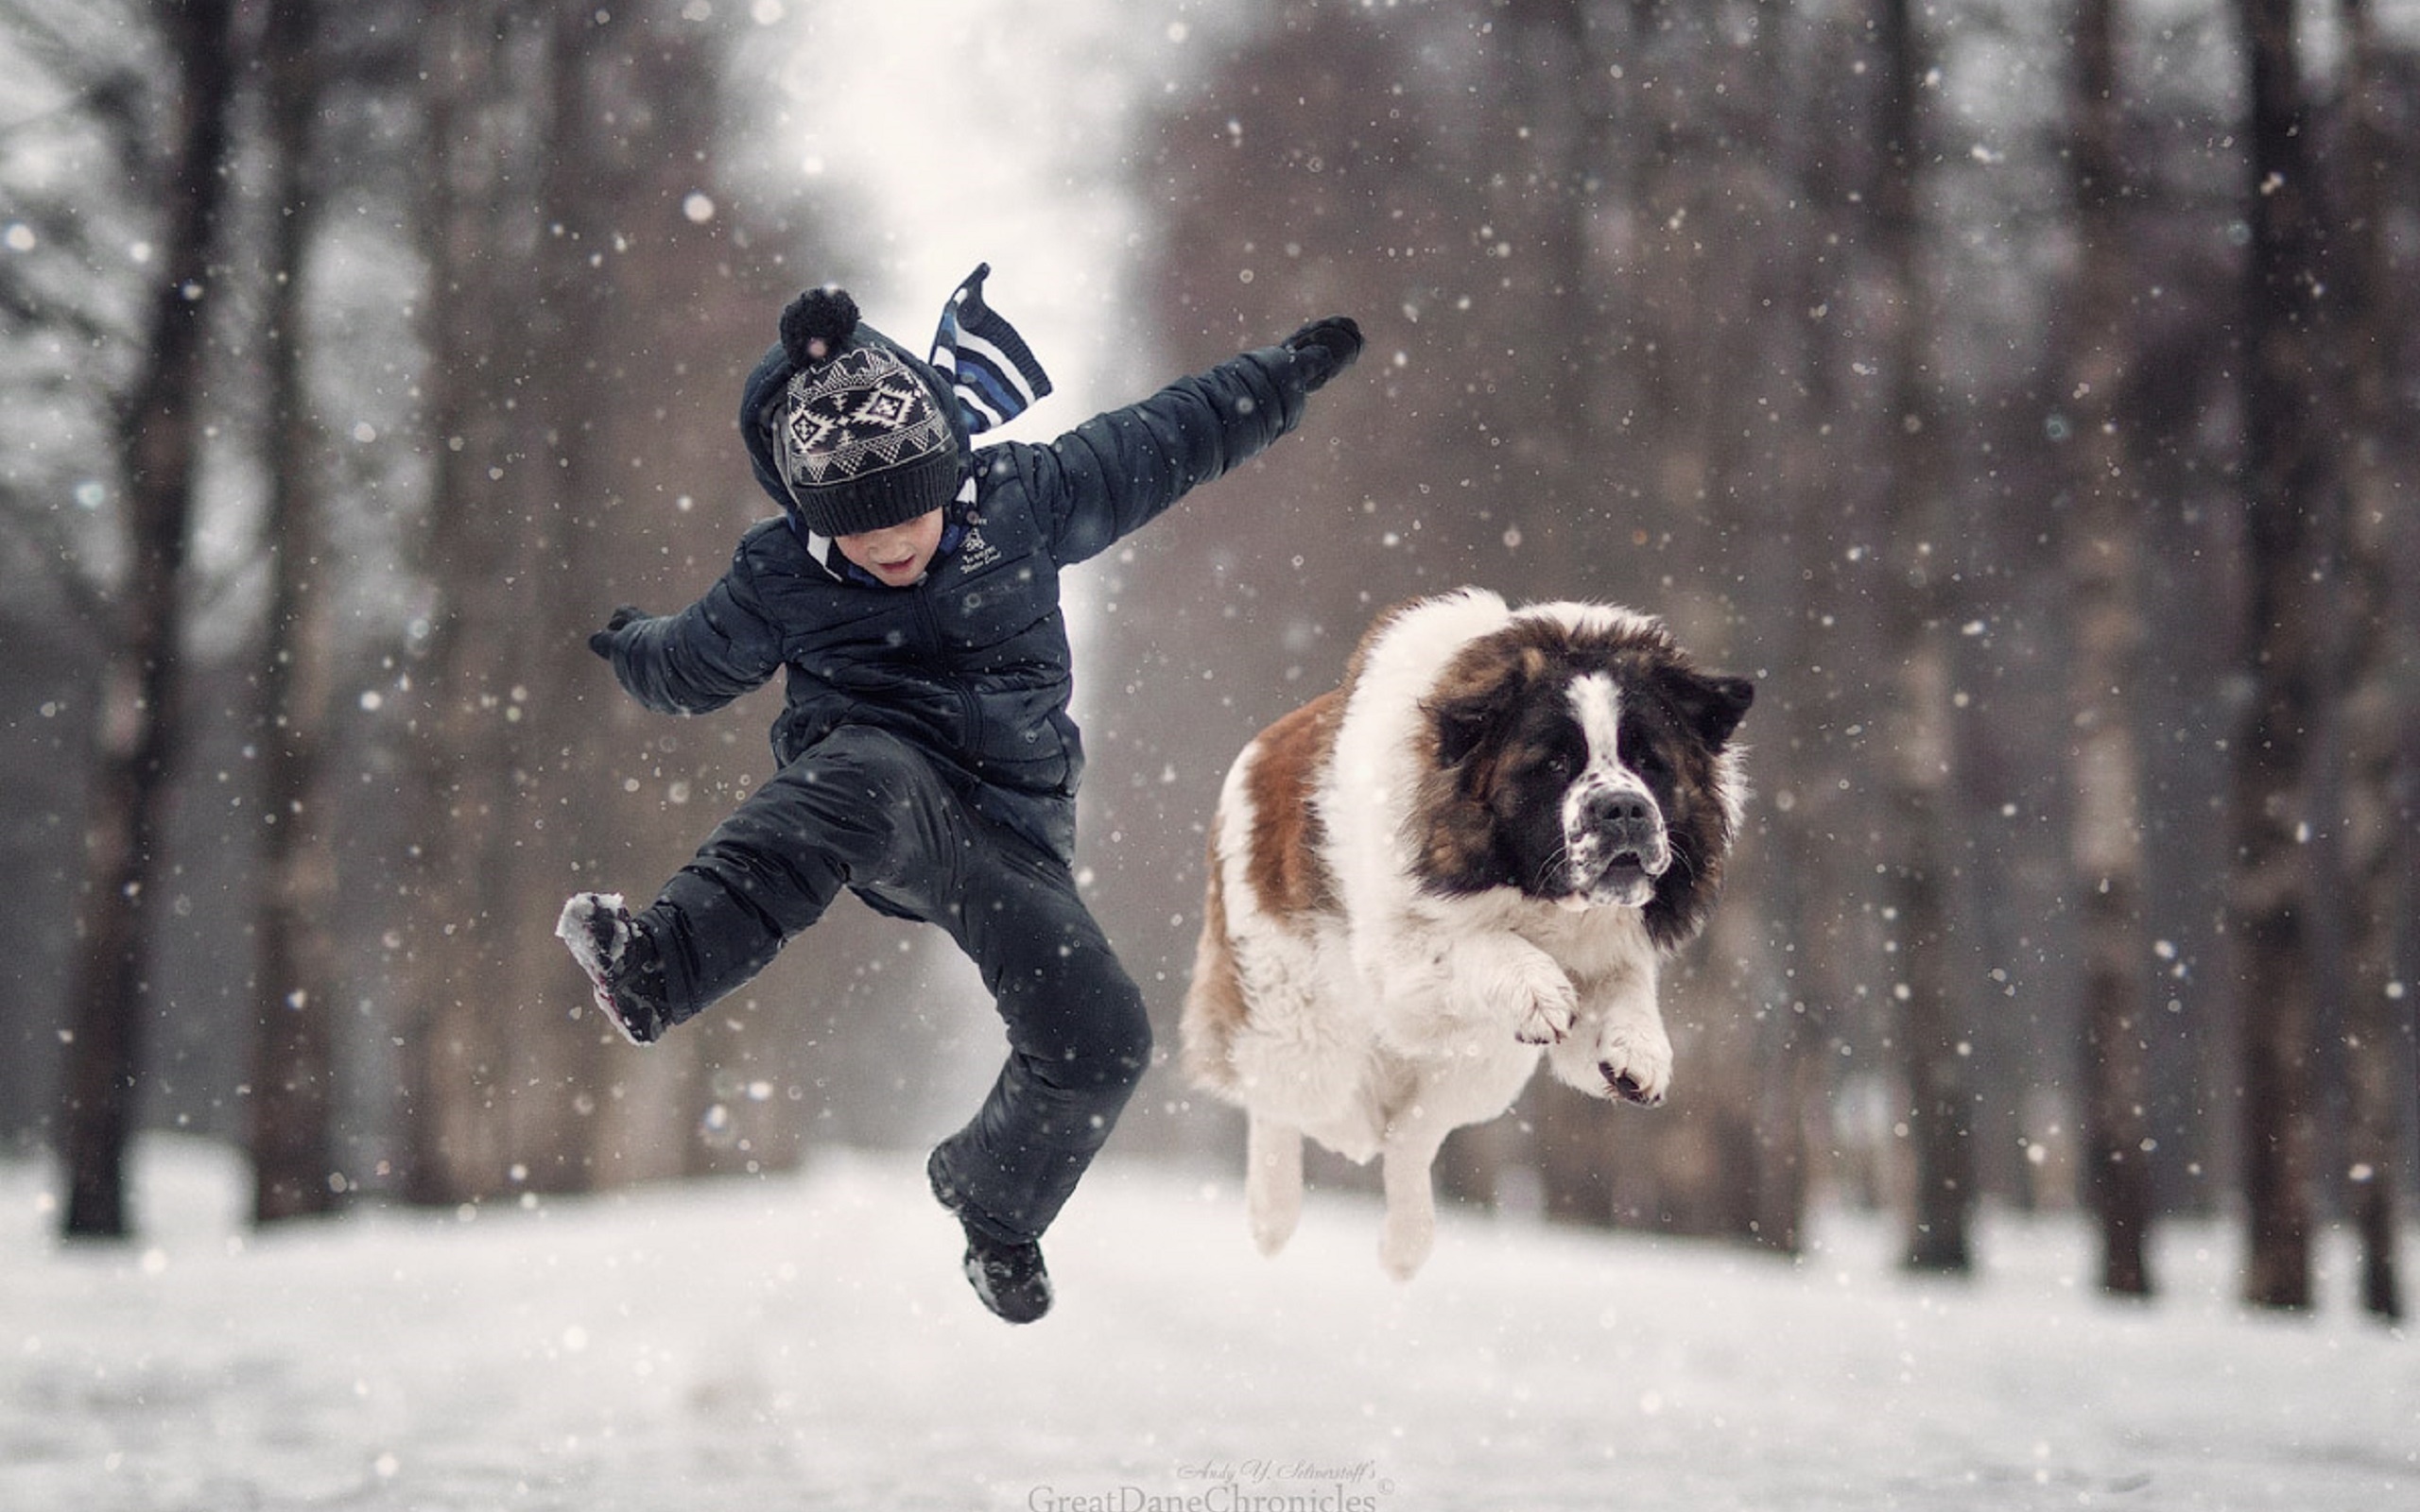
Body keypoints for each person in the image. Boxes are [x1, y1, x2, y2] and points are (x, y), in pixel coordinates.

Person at [560, 264, 1361, 1323]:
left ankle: (994, 1202)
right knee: (862, 773)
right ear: (809, 513)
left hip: (1015, 831)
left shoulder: (1026, 497)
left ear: (946, 473)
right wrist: (630, 649)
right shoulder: (777, 576)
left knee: (1103, 1035)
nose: (890, 545)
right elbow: (690, 666)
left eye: (910, 518)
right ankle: (657, 966)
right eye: (858, 531)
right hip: (881, 799)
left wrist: (1278, 379)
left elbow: (1163, 440)